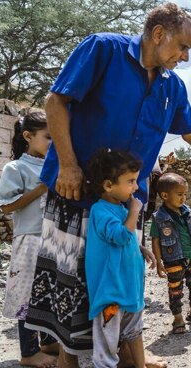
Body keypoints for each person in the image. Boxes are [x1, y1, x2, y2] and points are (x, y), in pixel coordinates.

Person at [24, 3, 191, 367]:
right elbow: (56, 101)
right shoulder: (103, 49)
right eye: (182, 46)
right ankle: (70, 359)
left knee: (126, 277)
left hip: (129, 201)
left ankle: (133, 356)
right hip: (76, 189)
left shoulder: (172, 86)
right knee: (74, 279)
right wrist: (67, 165)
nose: (186, 57)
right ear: (159, 34)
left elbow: (190, 131)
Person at [0, 112, 58, 367]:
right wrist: (41, 189)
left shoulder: (52, 165)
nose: (52, 143)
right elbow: (7, 207)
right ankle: (28, 352)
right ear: (28, 136)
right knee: (28, 297)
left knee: (48, 294)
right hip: (30, 240)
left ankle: (47, 342)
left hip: (52, 239)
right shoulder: (15, 168)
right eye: (48, 137)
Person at [84, 149, 146, 368]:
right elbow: (119, 236)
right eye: (130, 181)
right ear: (108, 185)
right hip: (111, 293)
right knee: (106, 347)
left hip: (130, 288)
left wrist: (141, 249)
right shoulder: (100, 211)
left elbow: (124, 239)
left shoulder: (120, 209)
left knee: (135, 332)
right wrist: (135, 211)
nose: (136, 187)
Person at [150, 173, 191, 334]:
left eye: (185, 194)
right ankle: (178, 319)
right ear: (165, 195)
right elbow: (155, 240)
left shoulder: (187, 212)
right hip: (173, 260)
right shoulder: (159, 218)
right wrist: (158, 262)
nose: (183, 198)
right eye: (179, 194)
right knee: (175, 290)